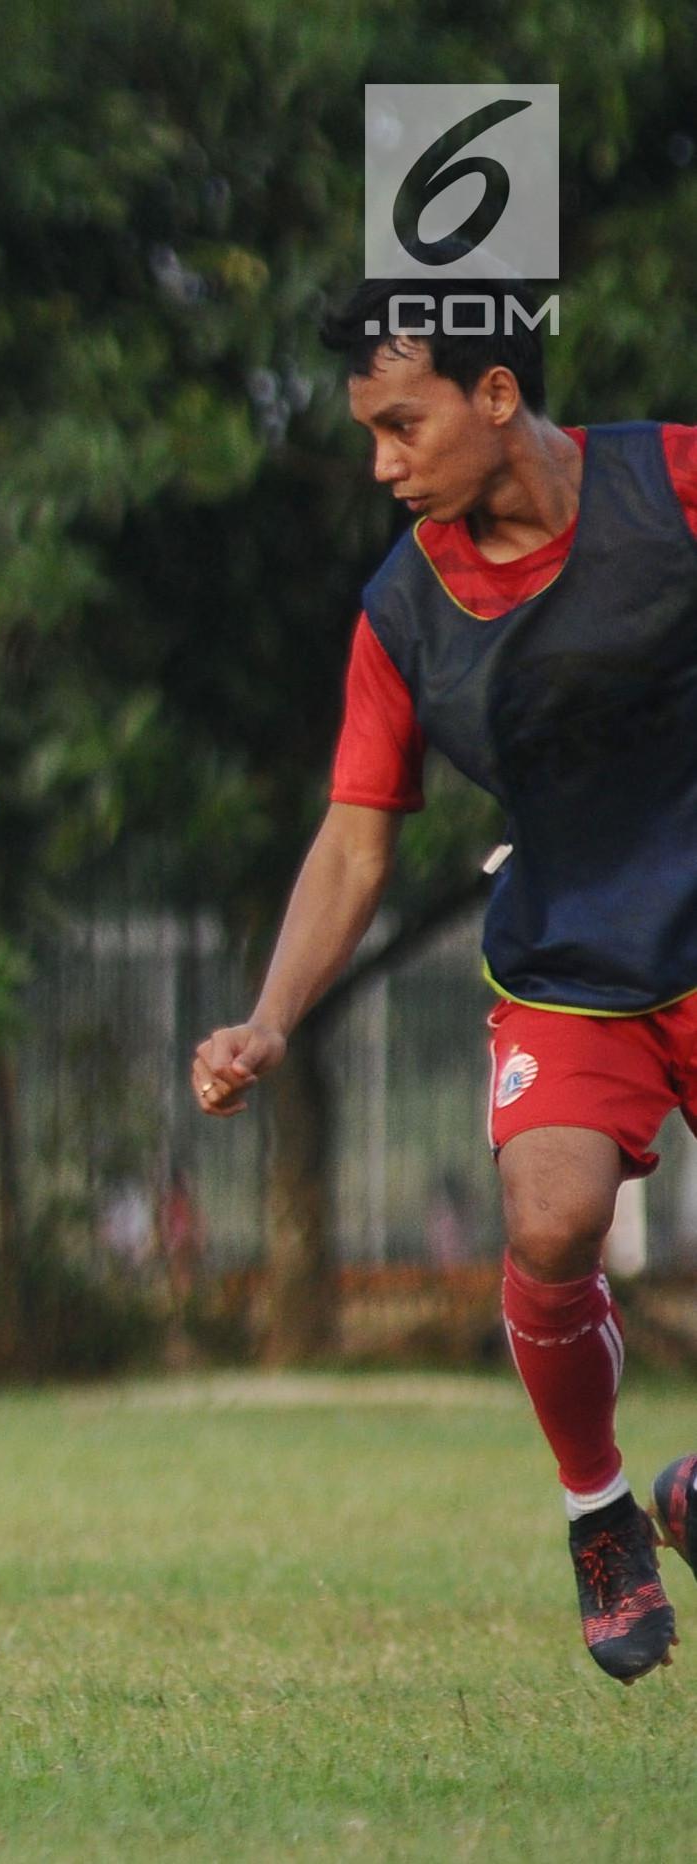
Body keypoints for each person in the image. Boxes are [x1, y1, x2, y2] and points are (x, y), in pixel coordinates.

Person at [194, 278, 697, 1682]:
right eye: (367, 430)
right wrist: (269, 1018)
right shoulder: (404, 611)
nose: (381, 462)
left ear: (495, 395)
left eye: (401, 423)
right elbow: (356, 838)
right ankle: (600, 1512)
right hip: (572, 954)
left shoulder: (670, 481)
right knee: (550, 1224)